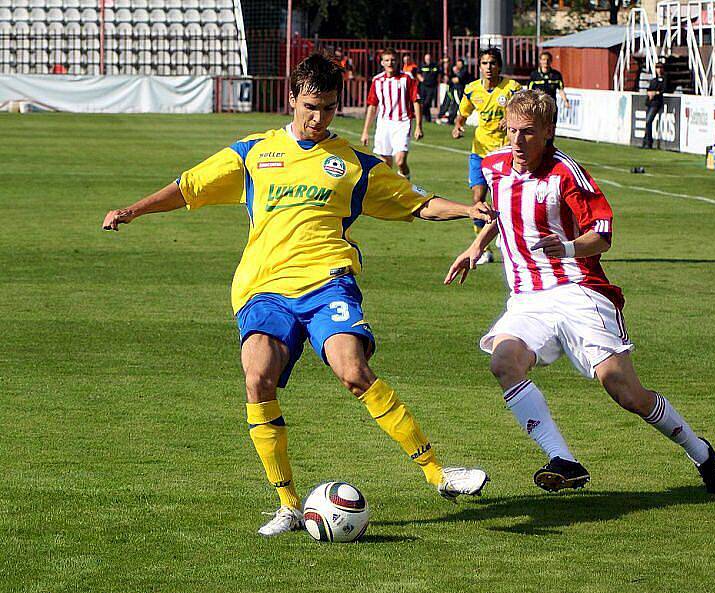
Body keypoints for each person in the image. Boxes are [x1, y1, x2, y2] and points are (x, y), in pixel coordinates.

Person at [102, 53, 492, 539]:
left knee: (353, 372)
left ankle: (439, 473)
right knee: (257, 379)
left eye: (328, 108)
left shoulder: (353, 165)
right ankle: (288, 503)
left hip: (327, 280)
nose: (318, 117)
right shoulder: (252, 153)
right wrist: (132, 210)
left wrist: (469, 210)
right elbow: (189, 187)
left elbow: (417, 203)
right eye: (311, 106)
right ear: (291, 99)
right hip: (263, 287)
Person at [444, 90, 715, 496]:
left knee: (624, 391)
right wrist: (477, 245)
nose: (517, 141)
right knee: (504, 363)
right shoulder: (494, 167)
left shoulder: (567, 173)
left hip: (578, 290)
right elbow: (503, 211)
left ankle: (700, 451)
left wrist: (565, 248)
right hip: (528, 298)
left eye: (527, 133)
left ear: (548, 131)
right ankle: (564, 461)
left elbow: (603, 236)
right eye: (511, 131)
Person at [452, 47, 521, 265]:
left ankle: (503, 235)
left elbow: (525, 110)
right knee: (477, 199)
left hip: (503, 152)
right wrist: (458, 127)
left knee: (501, 200)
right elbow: (462, 114)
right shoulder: (472, 89)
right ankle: (483, 248)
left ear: (499, 66)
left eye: (492, 63)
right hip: (479, 152)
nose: (488, 67)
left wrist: (511, 118)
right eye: (484, 63)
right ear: (479, 66)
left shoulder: (511, 88)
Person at [361, 47, 423, 179]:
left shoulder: (406, 78)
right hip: (384, 124)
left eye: (393, 60)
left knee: (400, 161)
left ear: (397, 62)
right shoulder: (377, 81)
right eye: (387, 60)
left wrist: (418, 125)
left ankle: (406, 184)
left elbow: (416, 101)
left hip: (402, 122)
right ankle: (391, 194)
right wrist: (366, 131)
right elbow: (372, 106)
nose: (390, 63)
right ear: (382, 63)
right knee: (385, 164)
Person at [528, 51, 570, 116]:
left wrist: (566, 101)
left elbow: (561, 90)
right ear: (540, 61)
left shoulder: (556, 75)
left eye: (548, 60)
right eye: (544, 59)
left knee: (551, 125)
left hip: (551, 106)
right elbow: (529, 91)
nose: (546, 62)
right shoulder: (534, 75)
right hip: (538, 106)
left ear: (551, 61)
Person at [643, 62, 668, 149]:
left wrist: (655, 93)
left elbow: (664, 89)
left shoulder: (664, 80)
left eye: (660, 68)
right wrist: (650, 93)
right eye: (657, 68)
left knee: (648, 121)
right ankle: (646, 141)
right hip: (650, 102)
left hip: (656, 103)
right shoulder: (654, 80)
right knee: (647, 122)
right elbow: (649, 89)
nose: (659, 70)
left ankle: (648, 142)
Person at [417, 53, 440, 123]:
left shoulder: (435, 65)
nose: (428, 60)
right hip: (424, 86)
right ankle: (426, 118)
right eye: (427, 59)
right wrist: (421, 79)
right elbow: (418, 73)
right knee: (423, 102)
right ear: (425, 59)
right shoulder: (422, 65)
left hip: (432, 87)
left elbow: (439, 73)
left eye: (429, 58)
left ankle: (426, 117)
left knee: (428, 102)